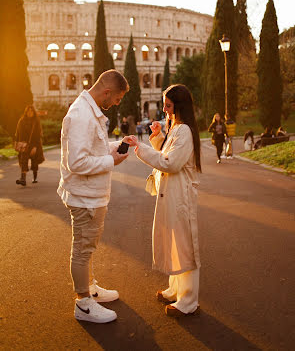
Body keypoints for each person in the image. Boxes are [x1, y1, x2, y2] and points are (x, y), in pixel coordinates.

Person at [57, 69, 135, 324]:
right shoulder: (81, 115)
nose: (116, 104)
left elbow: (93, 149)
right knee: (82, 248)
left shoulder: (90, 112)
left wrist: (114, 148)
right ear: (107, 91)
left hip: (91, 195)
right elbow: (76, 162)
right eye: (116, 99)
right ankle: (84, 304)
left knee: (87, 246)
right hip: (84, 197)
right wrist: (110, 160)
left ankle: (88, 288)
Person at [129, 84, 201, 318]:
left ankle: (188, 300)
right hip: (171, 194)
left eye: (168, 105)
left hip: (180, 196)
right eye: (164, 104)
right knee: (173, 242)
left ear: (179, 106)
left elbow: (171, 163)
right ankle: (175, 290)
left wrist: (139, 148)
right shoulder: (177, 128)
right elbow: (167, 154)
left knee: (184, 246)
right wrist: (159, 136)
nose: (165, 109)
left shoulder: (184, 131)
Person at [15, 105, 45, 186]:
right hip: (24, 145)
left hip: (34, 144)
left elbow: (38, 135)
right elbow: (17, 133)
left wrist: (35, 147)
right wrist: (16, 142)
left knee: (34, 162)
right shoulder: (22, 121)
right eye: (28, 111)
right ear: (26, 112)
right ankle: (23, 179)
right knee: (23, 160)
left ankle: (35, 178)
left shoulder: (36, 121)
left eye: (31, 111)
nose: (30, 112)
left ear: (33, 112)